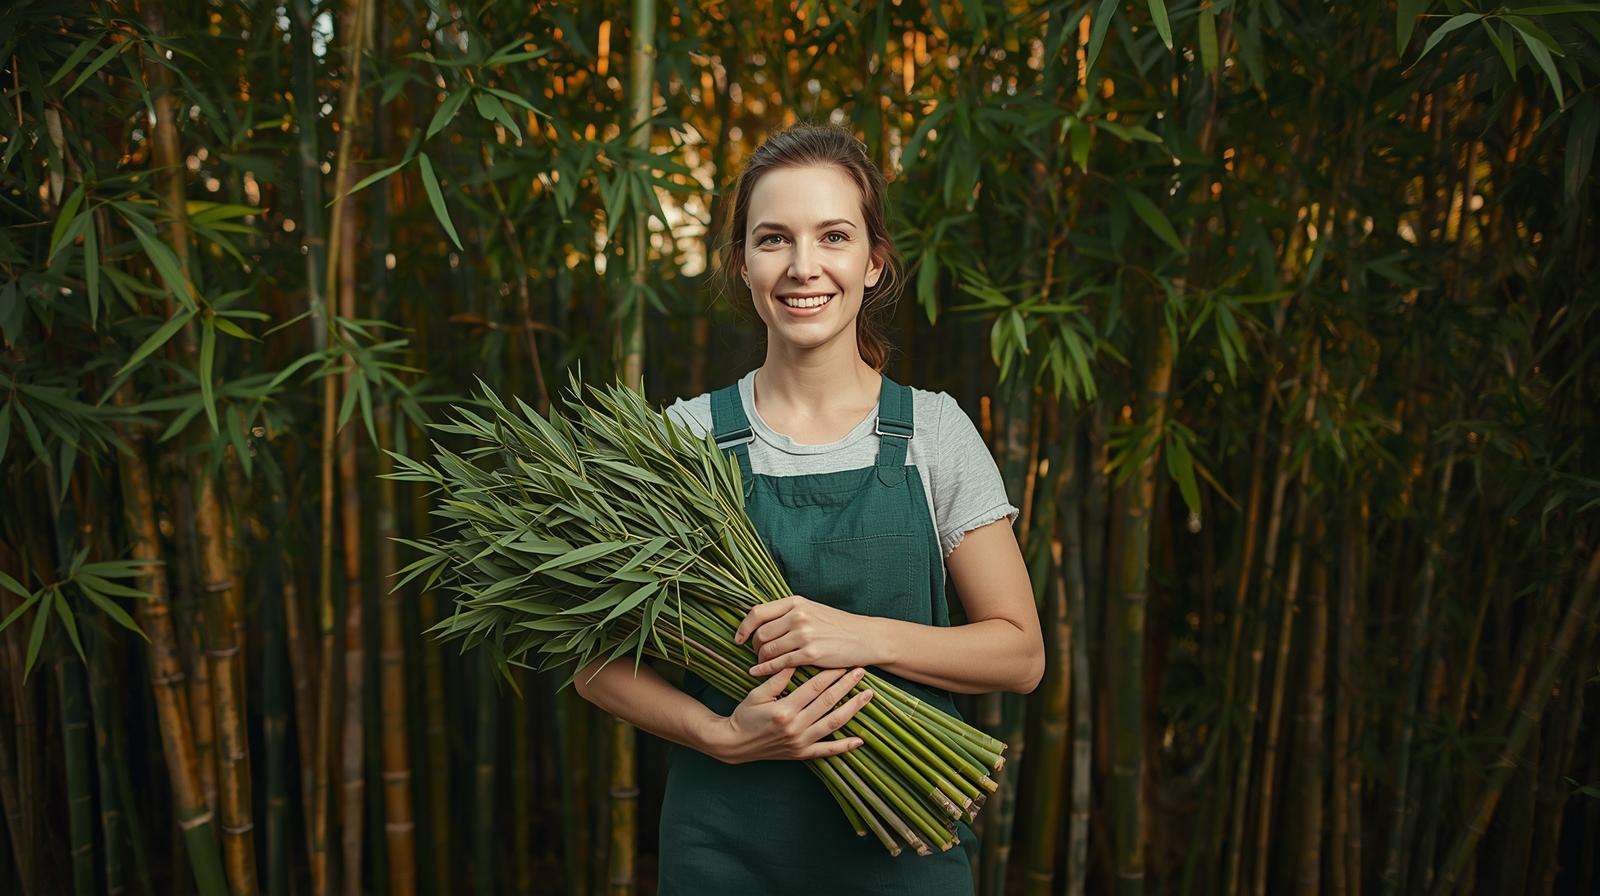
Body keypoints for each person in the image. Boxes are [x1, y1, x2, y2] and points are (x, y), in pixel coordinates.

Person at [573, 121, 1044, 895]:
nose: (803, 267)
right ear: (740, 263)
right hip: (723, 850)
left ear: (873, 260)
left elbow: (1020, 654)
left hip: (906, 853)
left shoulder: (933, 432)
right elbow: (595, 663)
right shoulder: (681, 438)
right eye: (772, 239)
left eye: (832, 236)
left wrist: (852, 636)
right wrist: (721, 735)